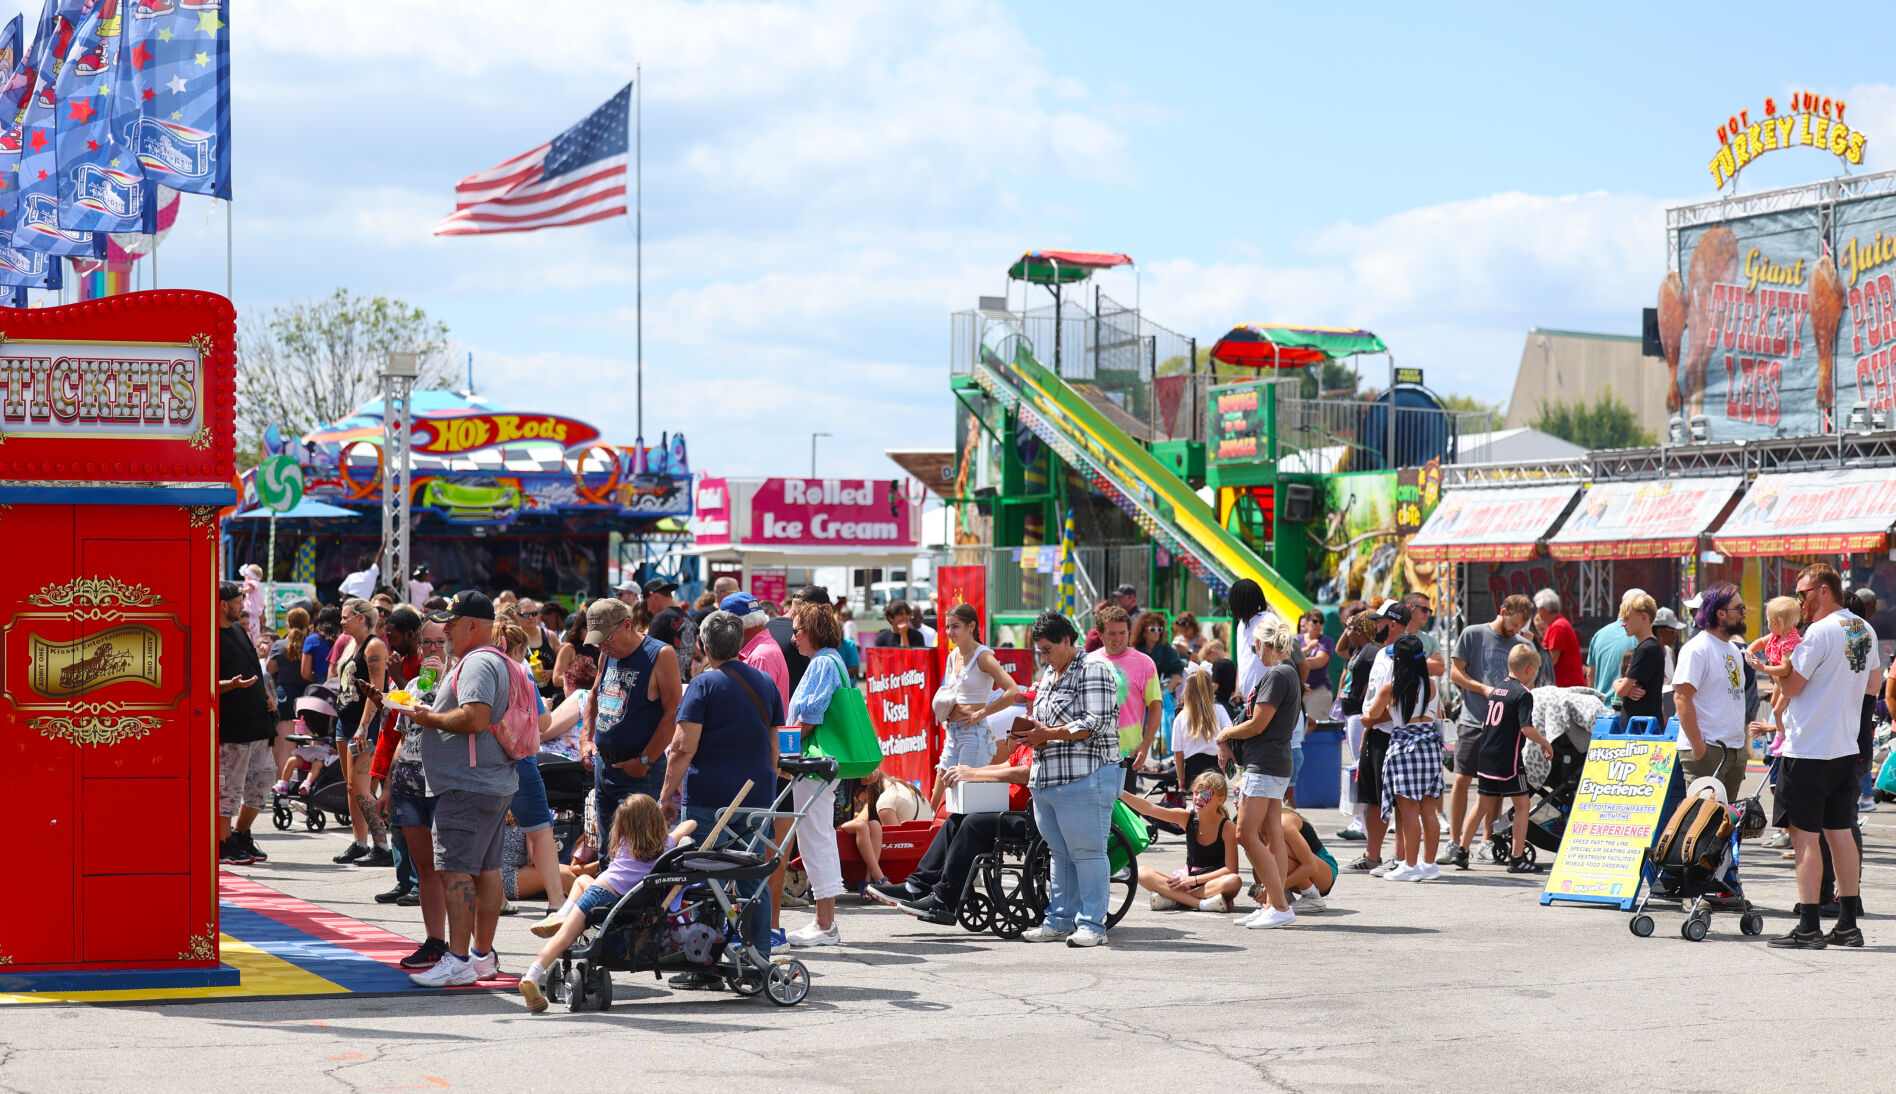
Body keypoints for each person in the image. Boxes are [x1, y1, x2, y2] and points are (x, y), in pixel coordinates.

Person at [404, 590, 520, 988]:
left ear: (472, 625)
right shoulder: (492, 659)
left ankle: (457, 960)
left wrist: (430, 718)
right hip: (487, 782)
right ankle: (481, 957)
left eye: (452, 624)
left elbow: (474, 718)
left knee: (455, 871)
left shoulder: (476, 663)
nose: (447, 630)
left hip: (467, 786)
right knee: (486, 870)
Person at [662, 610, 784, 981]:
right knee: (752, 877)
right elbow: (774, 748)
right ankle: (758, 956)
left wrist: (666, 793)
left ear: (703, 645)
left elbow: (683, 746)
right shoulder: (764, 682)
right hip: (755, 794)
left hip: (709, 798)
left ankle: (705, 963)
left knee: (702, 877)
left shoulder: (703, 684)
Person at [1765, 563, 1878, 949]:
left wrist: (1771, 667)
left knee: (1805, 837)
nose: (1800, 602)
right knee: (1840, 833)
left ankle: (1809, 923)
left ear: (1823, 591)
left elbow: (1793, 686)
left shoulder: (1818, 632)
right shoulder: (1865, 629)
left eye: (1803, 594)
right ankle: (1848, 921)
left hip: (1809, 747)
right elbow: (1873, 684)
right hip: (1844, 746)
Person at [518, 795, 695, 1013]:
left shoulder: (623, 843)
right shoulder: (664, 844)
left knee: (564, 935)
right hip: (622, 900)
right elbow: (690, 824)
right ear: (655, 820)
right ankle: (563, 914)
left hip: (599, 893)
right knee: (582, 882)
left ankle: (533, 974)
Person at [1016, 610, 1122, 947]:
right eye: (1039, 651)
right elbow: (1044, 720)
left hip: (1085, 777)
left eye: (1047, 649)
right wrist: (1027, 731)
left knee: (1088, 853)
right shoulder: (1050, 673)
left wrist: (1049, 733)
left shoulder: (1094, 669)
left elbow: (1096, 722)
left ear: (1067, 640)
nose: (1043, 656)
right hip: (1049, 779)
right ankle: (1060, 920)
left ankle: (1093, 924)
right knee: (1060, 854)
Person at [872, 743, 1035, 924]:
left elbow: (1025, 773)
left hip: (1030, 816)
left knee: (974, 823)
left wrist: (973, 774)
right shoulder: (1027, 743)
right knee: (956, 818)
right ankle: (918, 886)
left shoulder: (1044, 738)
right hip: (1008, 810)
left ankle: (945, 898)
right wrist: (969, 770)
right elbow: (1005, 766)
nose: (1028, 715)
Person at [1217, 613, 1302, 929]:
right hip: (1273, 762)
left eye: (1255, 649)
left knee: (1245, 833)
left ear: (1264, 644)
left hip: (1264, 764)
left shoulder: (1278, 675)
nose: (1256, 654)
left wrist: (1225, 734)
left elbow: (1258, 724)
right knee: (1270, 833)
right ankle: (1273, 903)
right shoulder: (1287, 672)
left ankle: (1279, 905)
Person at [375, 620, 452, 968]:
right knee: (425, 869)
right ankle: (434, 940)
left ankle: (471, 946)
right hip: (408, 782)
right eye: (429, 644)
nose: (434, 650)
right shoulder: (415, 686)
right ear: (419, 649)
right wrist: (389, 787)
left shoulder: (458, 681)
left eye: (441, 643)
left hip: (442, 784)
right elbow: (404, 739)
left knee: (453, 868)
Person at [1441, 594, 1534, 869]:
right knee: (1461, 780)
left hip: (1503, 728)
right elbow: (1455, 673)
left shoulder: (1521, 645)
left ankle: (1486, 840)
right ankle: (1456, 842)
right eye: (1514, 624)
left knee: (1495, 787)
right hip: (1472, 720)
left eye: (1520, 627)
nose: (1516, 631)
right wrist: (1483, 689)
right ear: (1502, 611)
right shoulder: (1473, 634)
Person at [580, 598, 682, 837]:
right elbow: (594, 696)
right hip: (604, 767)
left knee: (639, 851)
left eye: (606, 638)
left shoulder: (660, 654)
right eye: (597, 641)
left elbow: (672, 714)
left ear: (626, 625)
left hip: (640, 773)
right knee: (606, 849)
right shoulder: (608, 654)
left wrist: (645, 760)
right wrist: (586, 739)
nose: (602, 646)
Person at [782, 600, 852, 947]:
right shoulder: (830, 660)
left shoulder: (823, 662)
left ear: (809, 631)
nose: (792, 638)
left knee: (815, 838)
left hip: (814, 765)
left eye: (795, 631)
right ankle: (824, 922)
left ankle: (825, 924)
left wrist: (783, 748)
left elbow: (810, 716)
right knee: (816, 837)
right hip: (820, 765)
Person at [1464, 644, 1554, 874]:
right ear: (1528, 669)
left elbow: (1486, 723)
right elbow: (1526, 728)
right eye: (1536, 671)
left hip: (1486, 755)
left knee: (1481, 804)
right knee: (1522, 806)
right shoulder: (1523, 694)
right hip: (1509, 759)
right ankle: (1517, 858)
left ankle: (1461, 850)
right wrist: (1545, 742)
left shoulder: (1497, 690)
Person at [1365, 632, 1444, 881]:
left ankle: (1409, 865)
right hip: (1430, 749)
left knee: (1408, 810)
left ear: (1398, 660)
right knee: (1429, 810)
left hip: (1404, 750)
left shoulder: (1392, 687)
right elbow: (1439, 715)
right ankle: (1429, 864)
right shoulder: (1431, 684)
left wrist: (1373, 714)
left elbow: (1371, 716)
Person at [217, 581, 278, 867]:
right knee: (228, 791)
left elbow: (255, 669)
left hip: (258, 726)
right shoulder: (210, 637)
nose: (243, 605)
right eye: (239, 600)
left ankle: (240, 834)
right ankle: (222, 843)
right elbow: (200, 684)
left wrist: (266, 696)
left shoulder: (240, 631)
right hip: (233, 730)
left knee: (262, 784)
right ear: (222, 604)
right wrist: (230, 685)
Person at [1120, 772, 1240, 912]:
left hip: (1212, 884)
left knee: (1234, 881)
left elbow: (1231, 870)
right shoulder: (1186, 818)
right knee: (1141, 873)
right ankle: (1200, 904)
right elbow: (1149, 808)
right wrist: (1118, 791)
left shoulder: (1227, 827)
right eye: (1196, 793)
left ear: (1220, 800)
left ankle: (1176, 899)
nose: (1198, 798)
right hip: (1186, 880)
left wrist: (1194, 881)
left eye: (1205, 794)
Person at [332, 598, 393, 868]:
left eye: (346, 617)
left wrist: (364, 725)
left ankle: (381, 845)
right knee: (351, 788)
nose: (341, 621)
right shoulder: (349, 644)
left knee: (361, 787)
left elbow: (376, 690)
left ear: (360, 618)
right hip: (344, 723)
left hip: (362, 726)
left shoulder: (374, 646)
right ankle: (359, 843)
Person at [1674, 584, 1750, 800]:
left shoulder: (1733, 651)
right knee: (1703, 825)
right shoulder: (1696, 649)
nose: (1744, 613)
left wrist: (1740, 747)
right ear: (1721, 613)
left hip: (1733, 750)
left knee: (1725, 826)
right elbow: (1681, 698)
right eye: (1740, 608)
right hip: (1708, 750)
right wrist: (1699, 748)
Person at [935, 603, 1022, 775]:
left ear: (971, 626)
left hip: (973, 733)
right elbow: (950, 693)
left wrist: (982, 713)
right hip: (952, 730)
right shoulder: (952, 656)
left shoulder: (983, 656)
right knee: (941, 782)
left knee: (964, 787)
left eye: (955, 627)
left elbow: (1013, 691)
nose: (950, 632)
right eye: (947, 627)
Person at [1088, 604, 1162, 790]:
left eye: (1123, 633)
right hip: (1091, 751)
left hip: (1127, 753)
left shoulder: (1145, 663)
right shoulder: (1088, 662)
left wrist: (1145, 746)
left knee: (1126, 815)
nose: (1118, 639)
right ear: (1100, 633)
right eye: (1111, 633)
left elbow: (1155, 708)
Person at [1337, 611, 1390, 869]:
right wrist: (1348, 629)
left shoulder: (1371, 652)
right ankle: (1359, 820)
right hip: (1355, 715)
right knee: (1359, 769)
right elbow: (1341, 650)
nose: (1349, 633)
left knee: (1361, 770)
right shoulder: (1361, 649)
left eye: (1354, 628)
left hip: (1362, 715)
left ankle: (1360, 822)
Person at [839, 769, 929, 893]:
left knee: (869, 828)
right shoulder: (908, 788)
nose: (864, 802)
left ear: (867, 789)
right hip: (922, 850)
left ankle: (874, 879)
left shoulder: (885, 801)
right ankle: (872, 879)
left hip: (903, 857)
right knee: (873, 825)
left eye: (863, 800)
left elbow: (892, 843)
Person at [720, 590, 791, 710]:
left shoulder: (760, 656)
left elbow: (759, 711)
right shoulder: (760, 650)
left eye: (723, 626)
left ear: (737, 626)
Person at [1134, 609, 1186, 759]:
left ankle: (1158, 764)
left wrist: (1166, 691)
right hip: (1139, 699)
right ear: (1143, 631)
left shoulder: (1166, 650)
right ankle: (1137, 769)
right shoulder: (1136, 650)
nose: (1157, 632)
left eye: (1159, 629)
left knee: (1159, 734)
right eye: (1152, 629)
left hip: (1159, 699)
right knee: (1138, 735)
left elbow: (1178, 672)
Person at [1171, 669, 1229, 795]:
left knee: (1197, 802)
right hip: (1216, 764)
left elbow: (1178, 753)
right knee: (1214, 802)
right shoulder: (1219, 710)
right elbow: (1229, 733)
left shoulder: (1181, 717)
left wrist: (1180, 777)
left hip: (1193, 766)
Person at [1613, 593, 1664, 725]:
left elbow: (1621, 690)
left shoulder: (1647, 648)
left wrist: (1623, 688)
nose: (1623, 624)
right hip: (1638, 726)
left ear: (1644, 617)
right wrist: (1625, 688)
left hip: (1641, 729)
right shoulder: (1643, 647)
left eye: (1627, 618)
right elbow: (1623, 688)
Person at [1584, 587, 1647, 692]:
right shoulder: (1642, 637)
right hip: (1628, 706)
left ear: (1621, 607)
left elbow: (1590, 675)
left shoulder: (1599, 635)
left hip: (1601, 705)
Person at [1280, 809, 1338, 911]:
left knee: (1276, 849)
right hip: (1305, 871)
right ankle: (1283, 898)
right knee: (1261, 854)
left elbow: (1309, 866)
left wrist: (1273, 889)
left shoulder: (1285, 822)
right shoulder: (1248, 830)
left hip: (1324, 871)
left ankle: (1311, 897)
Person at [644, 578, 697, 684]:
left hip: (664, 687)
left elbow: (648, 657)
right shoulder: (689, 619)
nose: (648, 609)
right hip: (685, 684)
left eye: (647, 602)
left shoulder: (660, 619)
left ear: (653, 596)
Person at [513, 599, 562, 703]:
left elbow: (566, 665)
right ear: (516, 616)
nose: (531, 617)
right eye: (525, 615)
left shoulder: (550, 636)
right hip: (524, 699)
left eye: (534, 614)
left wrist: (552, 673)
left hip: (551, 698)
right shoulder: (513, 638)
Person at [1535, 589, 1584, 688]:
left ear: (1542, 609)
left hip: (1566, 687)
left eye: (1538, 609)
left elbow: (1552, 659)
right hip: (1566, 686)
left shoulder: (1557, 627)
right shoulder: (1558, 624)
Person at [1298, 609, 1334, 720]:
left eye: (1321, 622)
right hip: (1298, 691)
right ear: (1307, 622)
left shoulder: (1326, 641)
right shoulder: (1296, 639)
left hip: (1317, 691)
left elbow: (1318, 662)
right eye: (1315, 621)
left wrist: (1296, 659)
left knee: (1315, 729)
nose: (1318, 624)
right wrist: (1307, 649)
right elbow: (1285, 656)